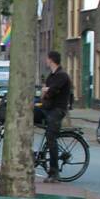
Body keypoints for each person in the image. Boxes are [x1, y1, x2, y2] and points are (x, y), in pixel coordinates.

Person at [41, 50, 72, 183]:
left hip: (58, 110)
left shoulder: (62, 75)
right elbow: (45, 93)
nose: (46, 61)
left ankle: (54, 172)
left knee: (51, 138)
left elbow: (52, 91)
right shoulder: (51, 76)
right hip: (48, 108)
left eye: (47, 59)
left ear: (51, 60)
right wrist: (46, 91)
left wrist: (47, 90)